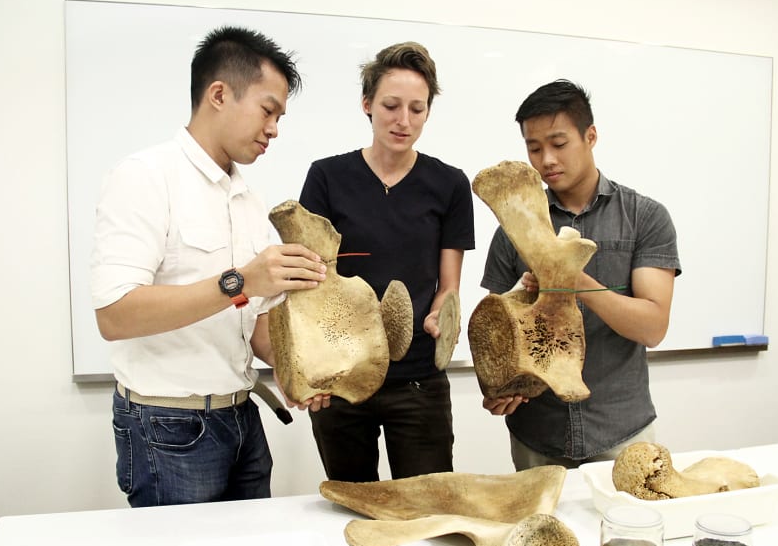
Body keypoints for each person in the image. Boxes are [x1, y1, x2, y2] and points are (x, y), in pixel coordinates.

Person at [90, 26, 329, 507]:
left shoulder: (247, 197)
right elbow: (114, 315)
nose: (275, 129)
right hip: (168, 426)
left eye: (280, 116)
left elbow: (254, 321)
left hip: (242, 417)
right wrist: (241, 280)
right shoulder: (145, 177)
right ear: (218, 94)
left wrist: (294, 370)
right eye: (268, 110)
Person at [480, 79, 681, 469]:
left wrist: (574, 280)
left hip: (622, 433)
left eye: (558, 144)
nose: (546, 160)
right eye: (534, 148)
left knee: (628, 530)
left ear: (590, 136)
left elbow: (653, 328)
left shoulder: (645, 218)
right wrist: (499, 387)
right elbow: (496, 328)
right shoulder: (512, 228)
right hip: (537, 436)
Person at [298, 42, 475, 482]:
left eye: (417, 109)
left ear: (428, 111)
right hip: (342, 376)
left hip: (417, 379)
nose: (404, 120)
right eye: (391, 105)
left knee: (427, 507)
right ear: (367, 104)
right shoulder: (327, 177)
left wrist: (441, 315)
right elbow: (310, 285)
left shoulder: (449, 184)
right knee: (353, 505)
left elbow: (448, 286)